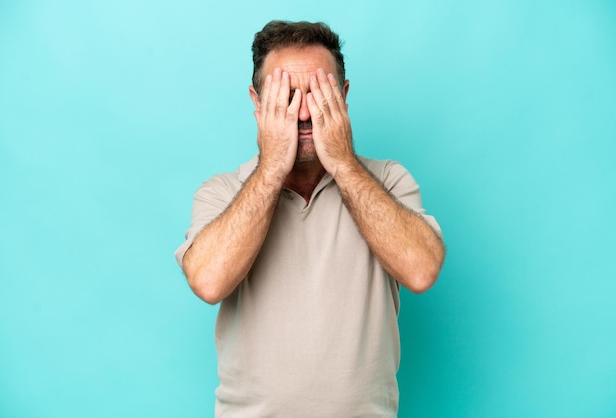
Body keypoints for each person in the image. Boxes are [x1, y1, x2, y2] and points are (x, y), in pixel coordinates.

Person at [175, 20, 445, 417]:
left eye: (318, 95)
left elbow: (421, 271)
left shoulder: (388, 180)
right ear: (256, 101)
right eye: (285, 96)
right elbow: (209, 282)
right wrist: (270, 168)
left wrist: (343, 163)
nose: (303, 113)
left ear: (344, 96)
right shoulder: (222, 192)